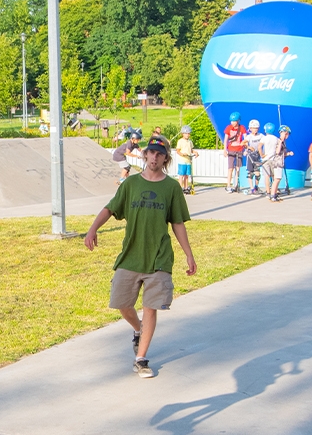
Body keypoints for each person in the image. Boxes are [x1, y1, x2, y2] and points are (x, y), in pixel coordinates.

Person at [84, 134, 197, 379]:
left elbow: (178, 223)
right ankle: (138, 329)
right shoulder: (131, 184)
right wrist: (93, 229)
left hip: (159, 258)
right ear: (144, 155)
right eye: (151, 153)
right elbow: (110, 208)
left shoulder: (172, 188)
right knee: (122, 304)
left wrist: (189, 254)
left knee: (150, 308)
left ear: (166, 158)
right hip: (131, 255)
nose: (154, 157)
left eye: (160, 154)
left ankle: (141, 359)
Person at [267, 125, 293, 201]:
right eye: (286, 134)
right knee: (277, 179)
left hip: (280, 162)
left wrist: (288, 154)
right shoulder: (279, 141)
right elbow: (277, 152)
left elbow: (282, 154)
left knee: (278, 178)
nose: (287, 136)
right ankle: (272, 195)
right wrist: (281, 142)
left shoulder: (283, 142)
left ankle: (274, 194)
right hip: (277, 162)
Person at [223, 112, 247, 193]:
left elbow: (245, 139)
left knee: (237, 168)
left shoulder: (242, 128)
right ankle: (228, 185)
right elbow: (226, 139)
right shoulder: (228, 128)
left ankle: (236, 184)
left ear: (238, 121)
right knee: (230, 168)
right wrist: (224, 150)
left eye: (234, 121)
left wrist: (245, 150)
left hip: (239, 149)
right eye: (231, 121)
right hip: (231, 150)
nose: (232, 123)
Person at [259, 123, 280, 202]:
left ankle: (268, 192)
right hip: (273, 159)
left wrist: (262, 155)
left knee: (266, 176)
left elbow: (259, 147)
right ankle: (274, 191)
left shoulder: (264, 138)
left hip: (265, 160)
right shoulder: (276, 138)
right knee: (274, 176)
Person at [175, 125, 197, 194]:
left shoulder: (190, 142)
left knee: (187, 175)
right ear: (183, 134)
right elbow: (178, 151)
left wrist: (195, 152)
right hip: (182, 160)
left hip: (188, 160)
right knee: (181, 175)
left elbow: (191, 149)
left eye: (188, 133)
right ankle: (180, 188)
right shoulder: (180, 141)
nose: (187, 135)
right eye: (186, 133)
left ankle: (185, 187)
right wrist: (182, 154)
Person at [244, 119, 263, 195]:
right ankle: (252, 188)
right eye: (253, 128)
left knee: (257, 173)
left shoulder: (261, 136)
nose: (255, 130)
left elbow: (266, 140)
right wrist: (248, 147)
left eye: (256, 128)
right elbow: (243, 143)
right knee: (250, 173)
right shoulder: (249, 136)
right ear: (250, 129)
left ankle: (256, 187)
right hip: (250, 156)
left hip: (257, 155)